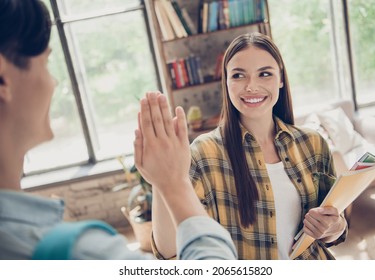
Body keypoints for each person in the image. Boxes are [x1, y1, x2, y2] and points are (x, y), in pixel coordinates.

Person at [0, 0, 237, 260]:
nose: (53, 82)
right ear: (3, 78)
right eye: (45, 64)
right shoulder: (79, 254)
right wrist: (173, 182)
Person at [151, 32, 348, 260]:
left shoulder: (312, 143)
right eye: (238, 75)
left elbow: (336, 227)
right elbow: (168, 251)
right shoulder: (203, 155)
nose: (251, 86)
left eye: (264, 74)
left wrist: (335, 227)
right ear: (226, 82)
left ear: (281, 79)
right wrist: (161, 179)